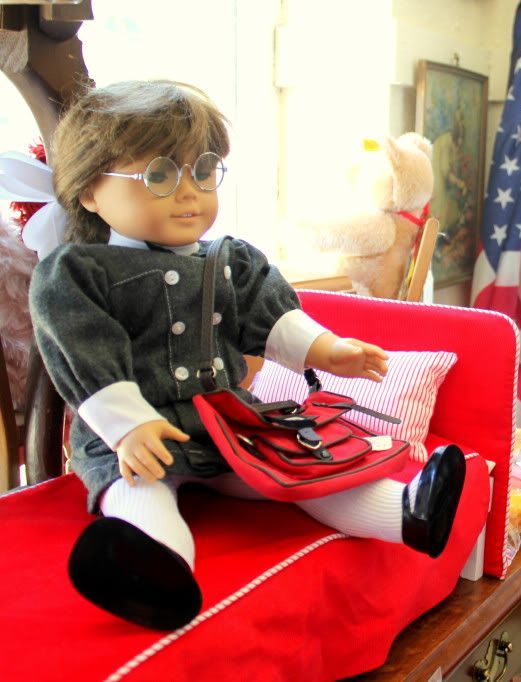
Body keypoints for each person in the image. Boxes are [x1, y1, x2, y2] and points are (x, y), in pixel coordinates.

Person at [29, 79, 466, 630]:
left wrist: (328, 350)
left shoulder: (229, 259)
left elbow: (271, 313)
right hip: (136, 436)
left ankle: (408, 512)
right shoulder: (78, 273)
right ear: (90, 192)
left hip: (224, 420)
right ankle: (154, 572)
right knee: (140, 488)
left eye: (202, 171)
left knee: (297, 467)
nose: (188, 193)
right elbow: (83, 350)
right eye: (159, 176)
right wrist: (127, 425)